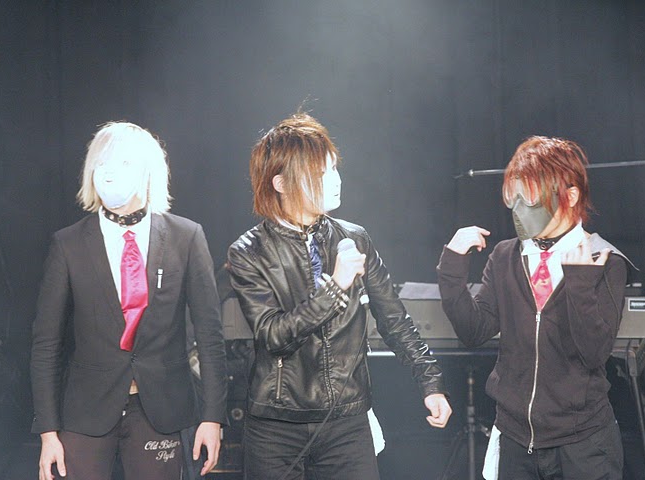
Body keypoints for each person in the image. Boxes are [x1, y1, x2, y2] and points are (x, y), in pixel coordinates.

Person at [227, 112, 452, 480]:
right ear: (280, 183)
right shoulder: (249, 251)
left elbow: (394, 319)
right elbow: (273, 336)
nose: (334, 181)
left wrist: (430, 382)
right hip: (276, 425)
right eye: (320, 173)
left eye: (334, 169)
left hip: (346, 420)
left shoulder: (354, 238)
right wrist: (335, 286)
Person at [30, 122, 228, 480]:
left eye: (123, 163)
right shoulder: (68, 243)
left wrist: (212, 418)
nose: (109, 173)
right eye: (101, 163)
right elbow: (46, 344)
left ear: (147, 171)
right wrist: (47, 432)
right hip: (86, 413)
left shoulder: (186, 237)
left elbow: (210, 336)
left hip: (162, 410)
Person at [437, 136, 631, 480]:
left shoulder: (604, 259)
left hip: (582, 445)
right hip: (516, 440)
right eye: (514, 200)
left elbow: (594, 353)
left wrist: (580, 282)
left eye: (530, 201)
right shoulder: (505, 256)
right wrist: (452, 267)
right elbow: (474, 331)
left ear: (570, 196)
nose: (519, 212)